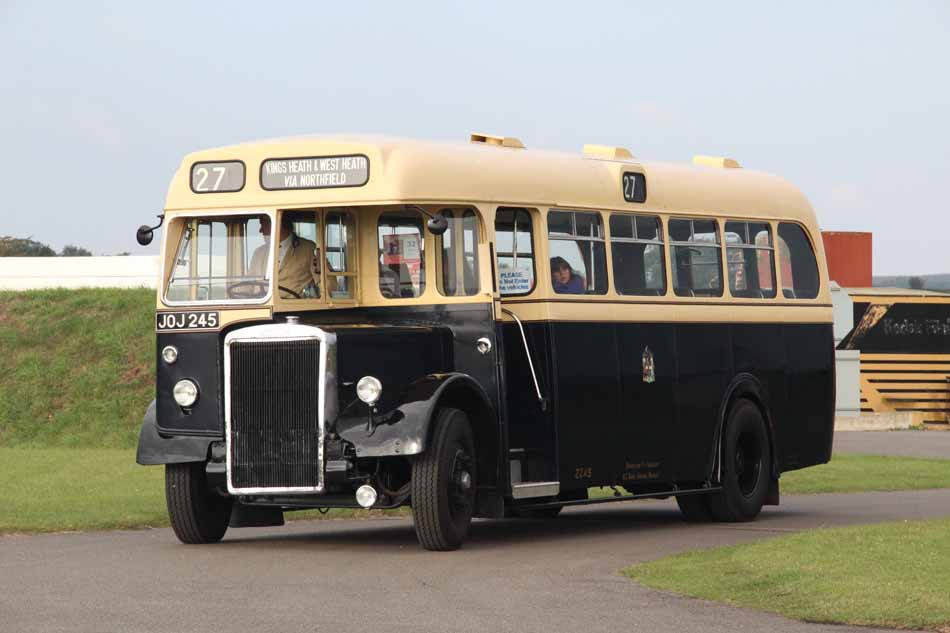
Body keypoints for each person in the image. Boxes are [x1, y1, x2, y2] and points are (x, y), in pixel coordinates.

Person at [249, 215, 323, 299]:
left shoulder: (308, 248)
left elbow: (325, 282)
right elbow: (249, 283)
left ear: (278, 225)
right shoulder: (258, 253)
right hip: (262, 306)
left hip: (294, 309)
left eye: (263, 225)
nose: (260, 230)